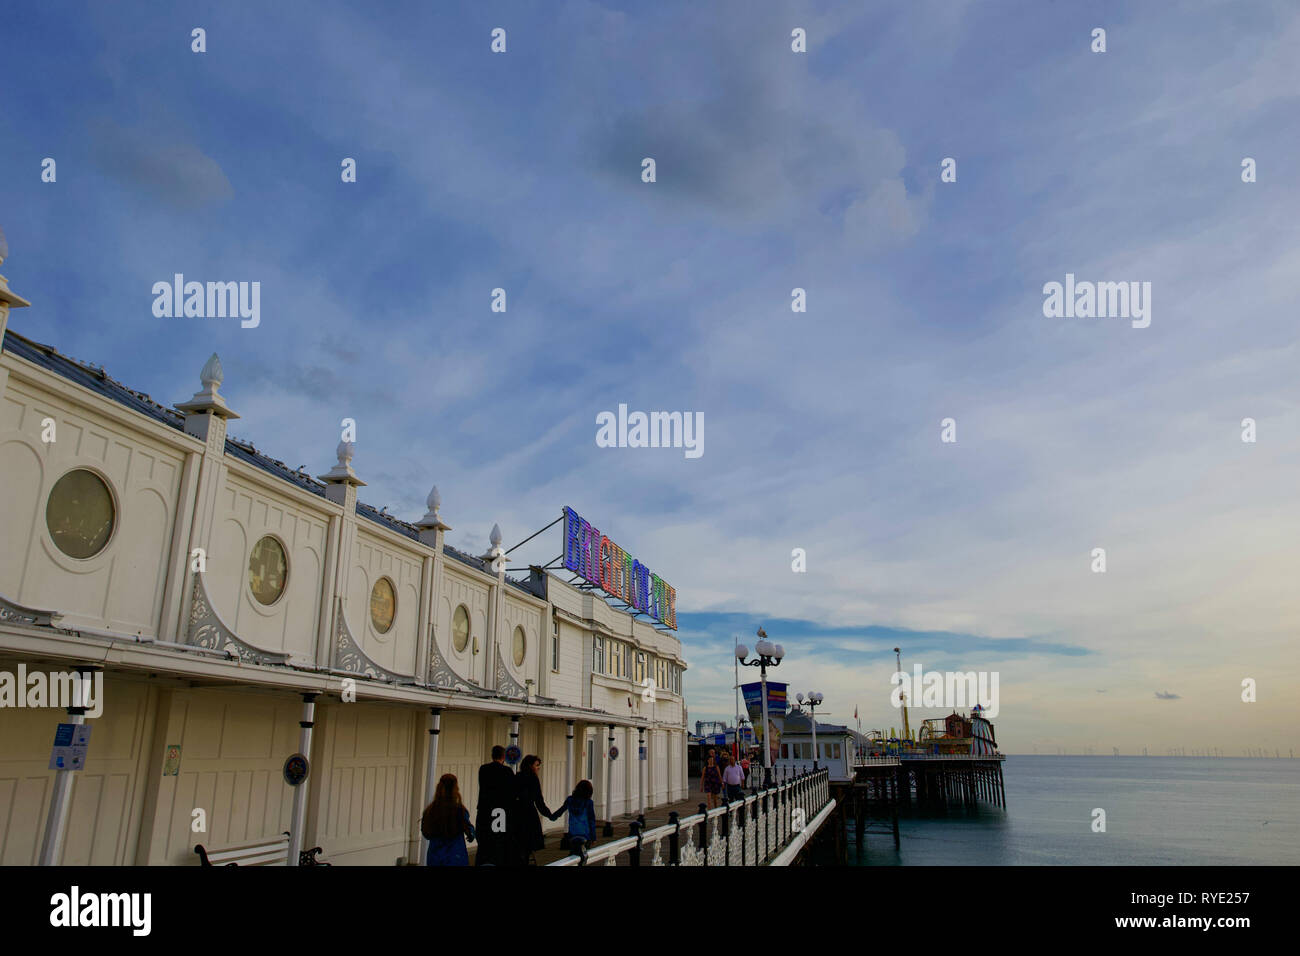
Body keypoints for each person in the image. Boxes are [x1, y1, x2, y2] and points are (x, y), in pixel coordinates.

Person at [475, 745, 516, 866]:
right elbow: (511, 792)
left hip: (485, 809)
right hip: (500, 811)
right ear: (503, 756)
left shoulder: (483, 769)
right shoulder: (507, 771)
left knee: (484, 840)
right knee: (499, 841)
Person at [422, 773, 475, 866]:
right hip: (455, 856)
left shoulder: (430, 811)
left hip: (435, 856)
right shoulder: (460, 811)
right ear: (456, 789)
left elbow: (426, 833)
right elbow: (470, 833)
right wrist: (471, 834)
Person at [512, 754, 556, 865]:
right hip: (528, 816)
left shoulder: (517, 777)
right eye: (536, 765)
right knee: (527, 846)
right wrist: (549, 815)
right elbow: (539, 801)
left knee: (518, 845)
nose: (538, 768)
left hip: (515, 815)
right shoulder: (533, 779)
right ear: (530, 766)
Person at [550, 779, 597, 855]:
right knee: (584, 855)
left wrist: (552, 817)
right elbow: (591, 821)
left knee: (573, 853)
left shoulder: (570, 800)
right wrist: (593, 837)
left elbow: (560, 811)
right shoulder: (588, 802)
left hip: (573, 834)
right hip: (586, 835)